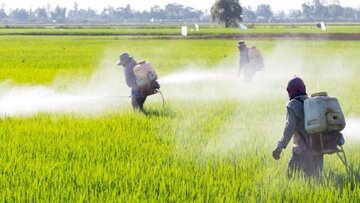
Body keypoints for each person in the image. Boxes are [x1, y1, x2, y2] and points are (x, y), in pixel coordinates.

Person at [272, 76, 324, 177]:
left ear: (290, 91)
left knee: (290, 177)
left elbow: (289, 128)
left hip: (302, 151)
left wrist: (279, 147)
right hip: (319, 148)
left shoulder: (292, 105)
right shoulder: (312, 102)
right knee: (317, 180)